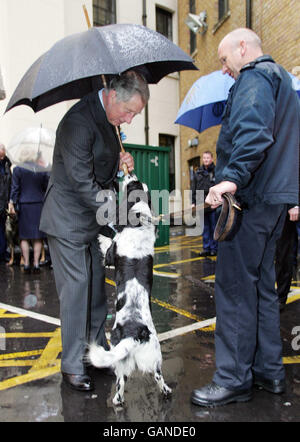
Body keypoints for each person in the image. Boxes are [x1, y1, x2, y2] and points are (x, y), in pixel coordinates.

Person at [191, 28, 300, 407]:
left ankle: (233, 378)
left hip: (251, 199)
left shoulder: (255, 77)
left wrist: (229, 180)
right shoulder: (283, 80)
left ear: (243, 48)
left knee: (235, 288)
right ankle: (269, 372)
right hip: (273, 201)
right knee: (260, 289)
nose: (224, 69)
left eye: (223, 59)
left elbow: (253, 135)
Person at [40, 71, 149, 392]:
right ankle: (73, 364)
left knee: (96, 289)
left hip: (89, 221)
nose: (129, 120)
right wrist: (120, 214)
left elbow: (99, 169)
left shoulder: (109, 120)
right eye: (128, 112)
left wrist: (119, 164)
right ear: (113, 96)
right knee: (76, 289)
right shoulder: (79, 121)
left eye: (135, 115)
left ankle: (94, 352)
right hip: (68, 219)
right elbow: (82, 182)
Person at [8, 147, 49, 273]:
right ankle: (36, 264)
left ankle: (26, 264)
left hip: (24, 205)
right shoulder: (40, 169)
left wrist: (12, 203)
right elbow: (46, 185)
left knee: (24, 237)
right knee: (37, 237)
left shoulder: (17, 169)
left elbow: (15, 189)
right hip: (38, 204)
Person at [191, 151, 218, 256]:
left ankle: (214, 249)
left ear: (212, 159)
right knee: (205, 227)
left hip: (213, 204)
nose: (206, 160)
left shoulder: (216, 171)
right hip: (201, 204)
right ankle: (206, 248)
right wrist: (193, 202)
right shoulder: (198, 172)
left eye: (208, 158)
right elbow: (193, 188)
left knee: (213, 227)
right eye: (204, 158)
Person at [275, 206, 299, 311]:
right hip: (283, 205)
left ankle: (280, 297)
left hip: (287, 204)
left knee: (284, 254)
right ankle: (279, 298)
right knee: (283, 254)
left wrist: (293, 204)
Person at [0, 144, 11, 263]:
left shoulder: (7, 165)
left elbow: (8, 184)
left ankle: (3, 253)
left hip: (4, 204)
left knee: (2, 229)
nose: (2, 159)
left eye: (3, 156)